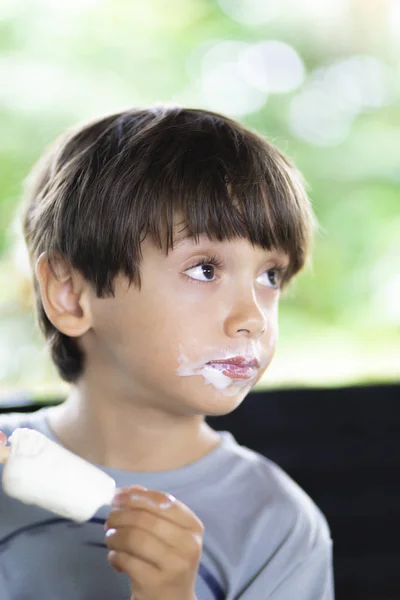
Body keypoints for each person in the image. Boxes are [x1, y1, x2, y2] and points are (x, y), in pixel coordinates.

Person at [0, 106, 334, 600]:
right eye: (205, 269)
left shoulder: (278, 523)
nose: (253, 317)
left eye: (270, 277)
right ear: (71, 294)